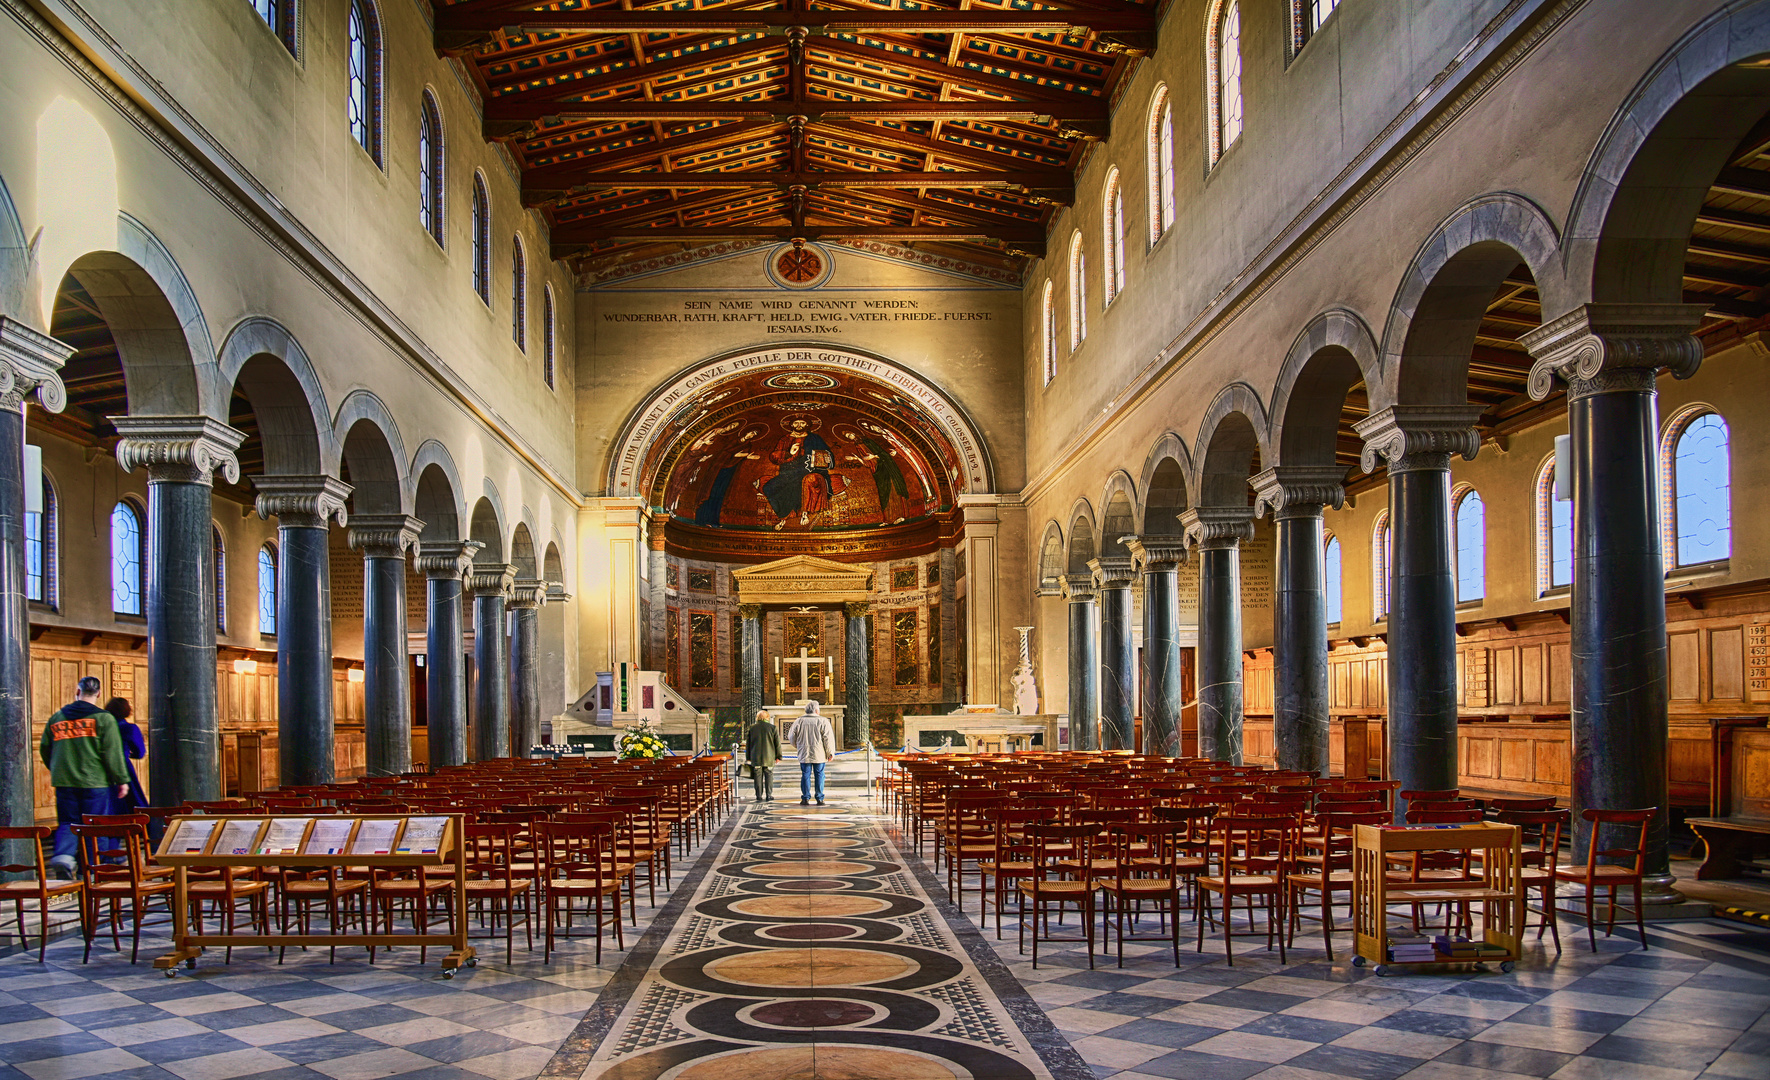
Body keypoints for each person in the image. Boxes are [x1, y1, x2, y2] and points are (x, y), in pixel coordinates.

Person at [39, 676, 129, 879]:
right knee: (92, 825)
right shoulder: (104, 719)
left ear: (77, 692)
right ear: (98, 694)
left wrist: (58, 769)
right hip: (94, 782)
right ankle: (90, 869)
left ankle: (63, 856)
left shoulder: (58, 717)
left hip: (65, 781)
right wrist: (121, 780)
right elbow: (112, 752)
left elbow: (45, 747)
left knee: (67, 822)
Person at [787, 701, 837, 806]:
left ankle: (805, 798)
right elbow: (828, 738)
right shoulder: (823, 721)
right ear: (817, 710)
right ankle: (819, 798)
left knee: (805, 774)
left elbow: (791, 736)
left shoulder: (799, 721)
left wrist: (798, 746)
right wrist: (830, 752)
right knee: (819, 774)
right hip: (819, 752)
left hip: (804, 752)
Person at [105, 698, 147, 814]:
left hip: (103, 768)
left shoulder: (103, 727)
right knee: (132, 804)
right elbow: (140, 753)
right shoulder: (129, 728)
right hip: (123, 768)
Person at [744, 710, 781, 802]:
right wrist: (778, 756)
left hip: (756, 757)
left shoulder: (752, 728)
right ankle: (769, 795)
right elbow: (777, 744)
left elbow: (748, 744)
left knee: (757, 776)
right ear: (767, 717)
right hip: (769, 757)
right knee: (769, 775)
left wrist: (748, 757)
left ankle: (759, 795)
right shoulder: (772, 728)